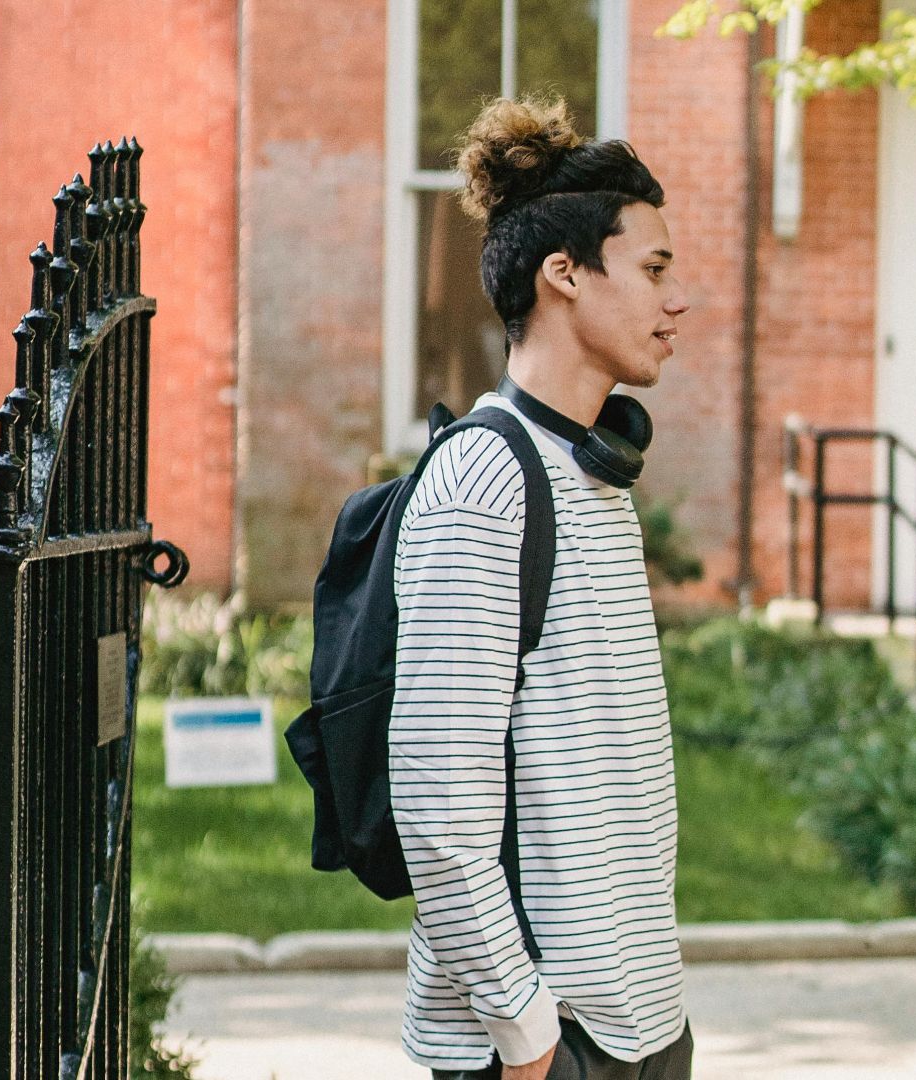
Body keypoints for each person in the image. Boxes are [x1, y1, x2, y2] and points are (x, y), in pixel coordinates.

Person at [389, 96, 693, 1080]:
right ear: (564, 272)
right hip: (543, 1041)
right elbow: (438, 795)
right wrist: (526, 1035)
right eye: (653, 269)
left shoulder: (592, 474)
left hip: (639, 1022)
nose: (675, 301)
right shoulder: (487, 477)